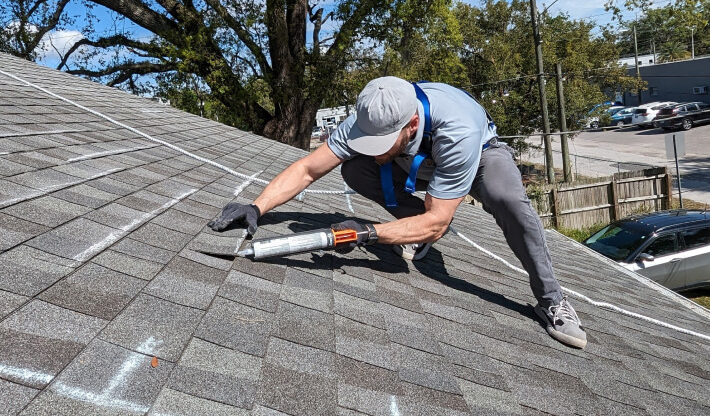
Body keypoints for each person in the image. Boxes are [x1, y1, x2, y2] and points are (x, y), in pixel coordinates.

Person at [210, 77, 587, 349]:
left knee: (508, 199)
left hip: (479, 154)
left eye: (379, 143)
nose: (373, 149)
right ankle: (411, 227)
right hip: (418, 159)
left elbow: (439, 222)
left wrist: (365, 233)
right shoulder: (372, 115)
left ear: (409, 126)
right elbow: (309, 168)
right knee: (354, 168)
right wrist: (257, 205)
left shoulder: (457, 130)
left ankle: (552, 300)